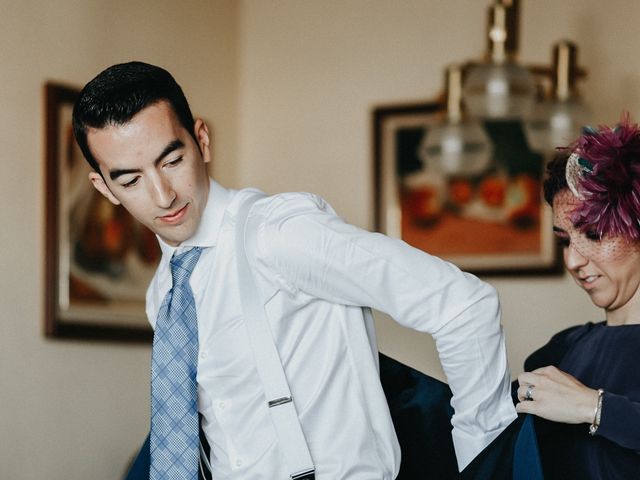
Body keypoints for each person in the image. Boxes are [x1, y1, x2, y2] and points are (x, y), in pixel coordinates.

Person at [72, 61, 516, 480]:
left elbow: (461, 305)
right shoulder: (164, 295)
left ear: (201, 141)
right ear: (105, 188)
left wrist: (482, 464)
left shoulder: (279, 232)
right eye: (130, 180)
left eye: (172, 161)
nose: (163, 195)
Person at [514, 115, 640, 479]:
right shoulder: (560, 352)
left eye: (595, 235)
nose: (572, 260)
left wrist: (595, 408)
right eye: (565, 240)